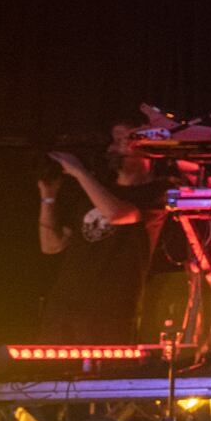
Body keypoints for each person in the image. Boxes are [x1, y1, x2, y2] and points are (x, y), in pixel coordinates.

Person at [37, 115, 166, 341]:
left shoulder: (158, 192)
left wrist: (80, 173)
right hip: (64, 306)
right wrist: (48, 198)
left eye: (125, 140)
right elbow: (51, 246)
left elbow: (118, 214)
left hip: (110, 312)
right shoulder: (94, 191)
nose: (115, 147)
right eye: (114, 140)